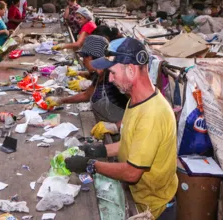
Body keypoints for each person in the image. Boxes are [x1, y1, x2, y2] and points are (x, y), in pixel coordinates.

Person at [64, 37, 178, 220]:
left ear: (131, 70)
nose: (109, 78)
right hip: (141, 199)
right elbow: (131, 144)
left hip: (156, 209)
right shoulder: (136, 100)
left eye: (112, 73)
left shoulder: (152, 114)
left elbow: (132, 173)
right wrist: (97, 150)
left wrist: (91, 165)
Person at [46, 35, 128, 136]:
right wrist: (60, 100)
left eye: (83, 58)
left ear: (90, 57)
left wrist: (116, 126)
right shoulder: (100, 74)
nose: (83, 62)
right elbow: (87, 95)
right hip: (103, 130)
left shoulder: (115, 78)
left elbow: (137, 111)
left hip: (122, 135)